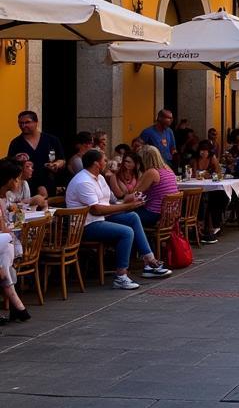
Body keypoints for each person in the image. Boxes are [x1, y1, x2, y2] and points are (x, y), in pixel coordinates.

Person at [65, 148, 171, 288]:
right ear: (97, 164)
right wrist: (127, 206)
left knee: (132, 217)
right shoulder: (84, 181)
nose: (107, 162)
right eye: (104, 160)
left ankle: (149, 261)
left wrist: (128, 201)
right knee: (126, 232)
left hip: (101, 218)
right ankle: (121, 276)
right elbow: (96, 210)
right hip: (86, 225)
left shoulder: (100, 178)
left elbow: (111, 201)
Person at [0, 159, 32, 322]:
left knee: (7, 258)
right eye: (17, 178)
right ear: (9, 180)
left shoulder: (5, 199)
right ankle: (18, 306)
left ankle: (18, 307)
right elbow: (4, 228)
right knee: (8, 246)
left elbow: (9, 224)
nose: (19, 182)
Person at [9, 112, 64, 198]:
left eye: (27, 122)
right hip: (26, 185)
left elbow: (62, 159)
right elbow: (10, 166)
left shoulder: (52, 140)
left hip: (48, 183)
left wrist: (56, 164)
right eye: (20, 123)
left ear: (36, 122)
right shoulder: (16, 143)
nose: (23, 126)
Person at [134, 144, 179, 227]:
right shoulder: (167, 168)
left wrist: (139, 172)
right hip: (169, 214)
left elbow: (135, 193)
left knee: (127, 217)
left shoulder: (152, 172)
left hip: (156, 214)